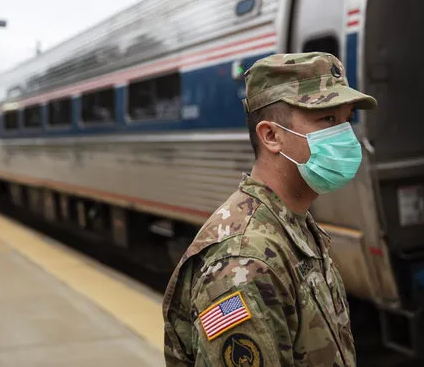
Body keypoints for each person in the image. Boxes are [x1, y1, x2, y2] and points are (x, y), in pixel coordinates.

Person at [162, 52, 377, 366]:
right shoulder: (244, 260)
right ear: (272, 136)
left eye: (347, 119)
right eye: (327, 119)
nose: (345, 135)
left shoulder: (291, 223)